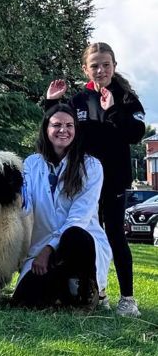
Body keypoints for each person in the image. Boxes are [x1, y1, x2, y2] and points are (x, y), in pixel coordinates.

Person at [43, 42, 146, 316]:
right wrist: (51, 102)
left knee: (114, 235)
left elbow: (136, 134)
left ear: (114, 65)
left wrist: (113, 110)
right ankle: (94, 292)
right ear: (85, 69)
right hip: (84, 181)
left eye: (106, 65)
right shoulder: (77, 101)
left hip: (113, 179)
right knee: (85, 234)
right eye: (94, 66)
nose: (100, 70)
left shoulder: (126, 97)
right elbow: (58, 129)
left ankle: (127, 299)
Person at [12, 104, 111, 310]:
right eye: (56, 125)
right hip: (41, 249)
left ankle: (86, 290)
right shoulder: (31, 163)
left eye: (69, 125)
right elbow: (24, 206)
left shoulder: (91, 167)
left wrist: (48, 250)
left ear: (76, 129)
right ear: (46, 129)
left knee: (74, 235)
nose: (63, 130)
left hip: (77, 248)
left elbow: (79, 217)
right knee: (23, 302)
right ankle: (60, 293)